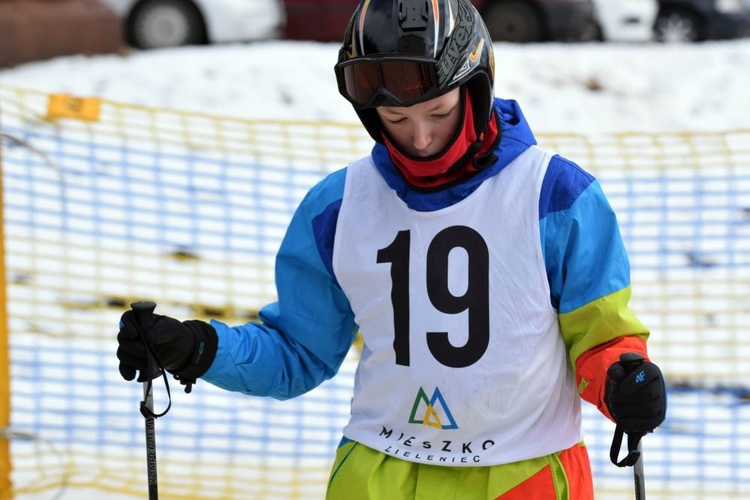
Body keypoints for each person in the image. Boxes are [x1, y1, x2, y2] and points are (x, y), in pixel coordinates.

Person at [116, 0, 668, 497]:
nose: (420, 138)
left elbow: (601, 338)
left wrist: (625, 379)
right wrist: (195, 348)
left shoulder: (556, 196)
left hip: (519, 475)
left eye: (439, 113)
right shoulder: (339, 206)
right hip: (376, 476)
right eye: (396, 119)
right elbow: (298, 353)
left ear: (476, 88)